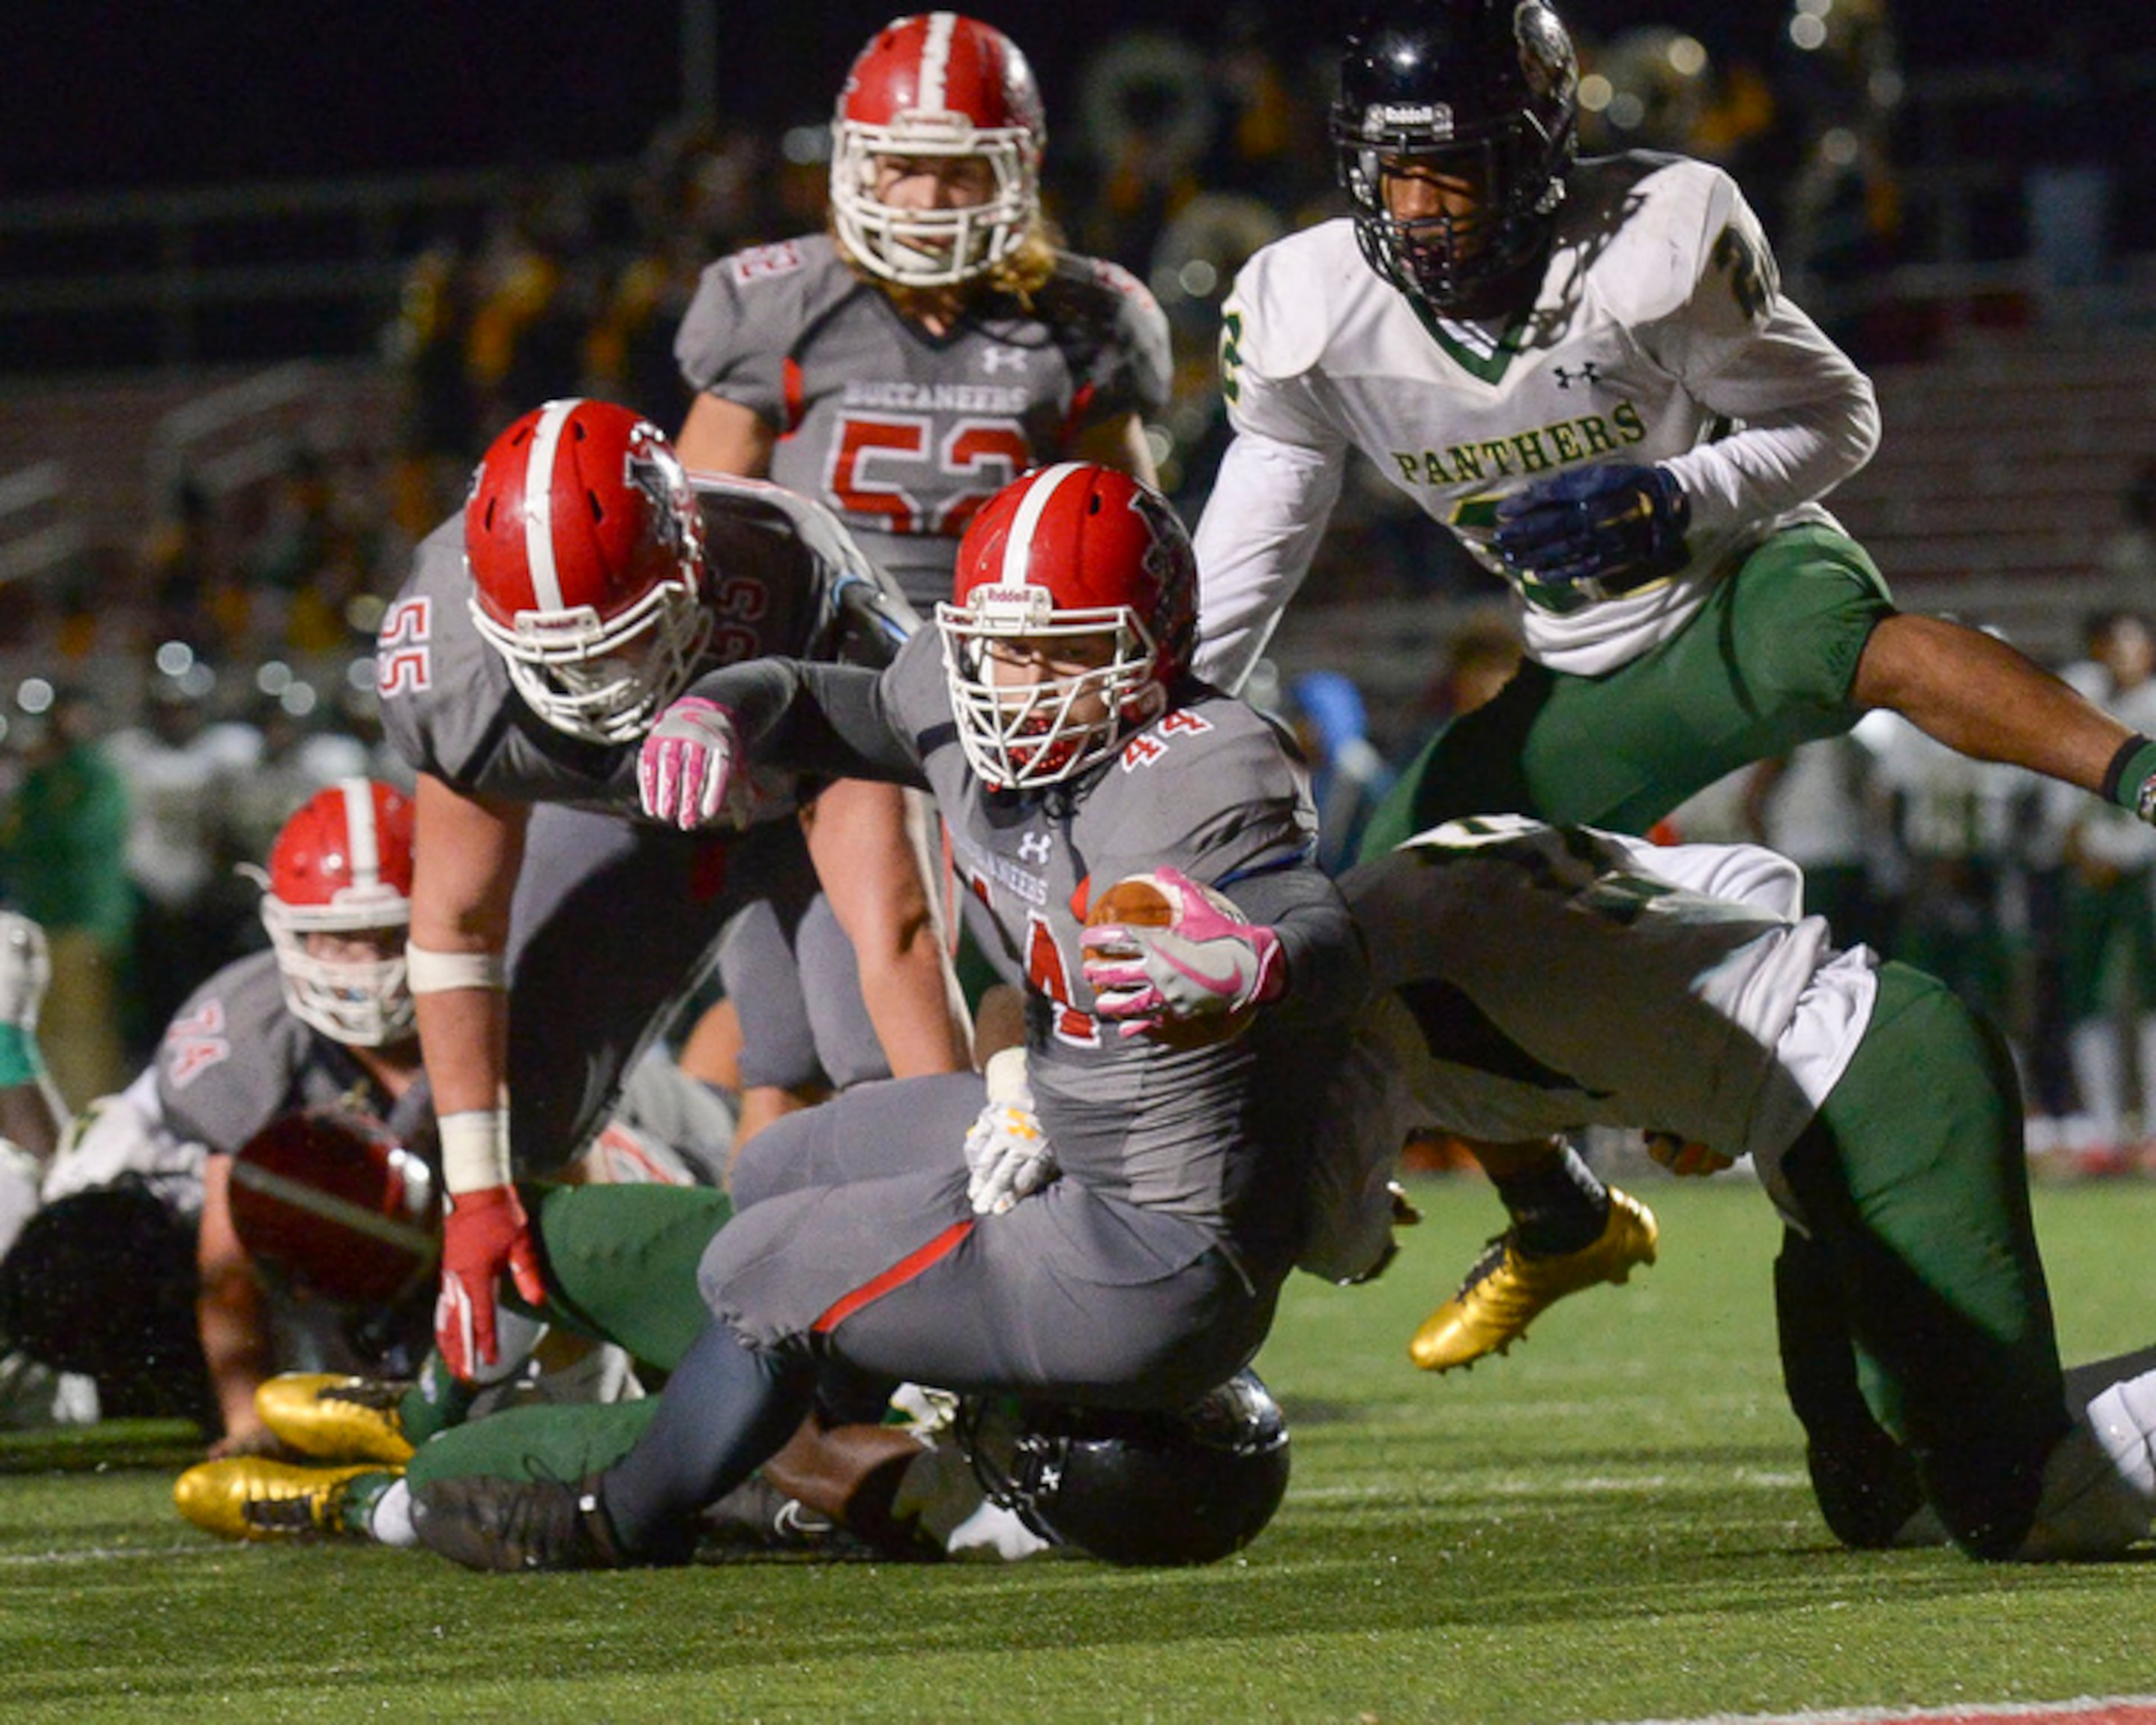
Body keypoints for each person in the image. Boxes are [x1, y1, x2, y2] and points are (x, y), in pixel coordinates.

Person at [1188, 0, 2156, 1367]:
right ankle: (1560, 1210)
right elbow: (1253, 550)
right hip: (1578, 662)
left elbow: (1838, 418)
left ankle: (2138, 772)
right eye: (1396, 173)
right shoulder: (1307, 304)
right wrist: (1156, 724)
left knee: (1856, 645)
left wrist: (1679, 494)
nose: (1423, 210)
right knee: (1391, 919)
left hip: (1734, 583)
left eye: (1454, 170)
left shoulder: (1656, 236)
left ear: (1531, 156)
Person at [400, 461, 1368, 1571]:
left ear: (1158, 650)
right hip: (1062, 1131)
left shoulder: (1206, 768)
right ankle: (826, 1402)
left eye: (1070, 652)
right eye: (1006, 647)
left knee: (763, 1267)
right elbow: (820, 696)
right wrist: (721, 712)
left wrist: (1258, 961)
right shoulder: (965, 696)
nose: (1025, 683)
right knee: (784, 1167)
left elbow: (1318, 919)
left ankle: (620, 1514)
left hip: (1151, 1239)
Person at [1340, 814, 2156, 1560]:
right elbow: (1755, 872)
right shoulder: (1452, 849)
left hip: (1862, 1082)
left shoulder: (1342, 988)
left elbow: (1330, 1236)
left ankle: (2020, 1439)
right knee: (1877, 1492)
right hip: (1822, 1109)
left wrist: (1715, 1041)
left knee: (2008, 1502)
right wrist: (1693, 1033)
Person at [374, 397, 966, 1388]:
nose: (593, 677)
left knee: (872, 1074)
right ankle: (608, 1337)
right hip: (620, 815)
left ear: (693, 571)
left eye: (620, 636)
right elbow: (455, 928)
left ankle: (933, 1308)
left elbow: (895, 932)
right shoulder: (449, 666)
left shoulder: (791, 572)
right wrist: (477, 1194)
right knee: (502, 1117)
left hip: (796, 790)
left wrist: (954, 1185)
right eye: (556, 651)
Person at [670, 11, 1172, 1136]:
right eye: (904, 171)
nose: (929, 205)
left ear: (1018, 172)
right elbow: (704, 534)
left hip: (1017, 694)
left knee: (1037, 969)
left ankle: (998, 1186)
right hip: (825, 686)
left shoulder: (1082, 320)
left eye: (959, 176)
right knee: (789, 1038)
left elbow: (1132, 534)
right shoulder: (785, 306)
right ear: (857, 166)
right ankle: (792, 1286)